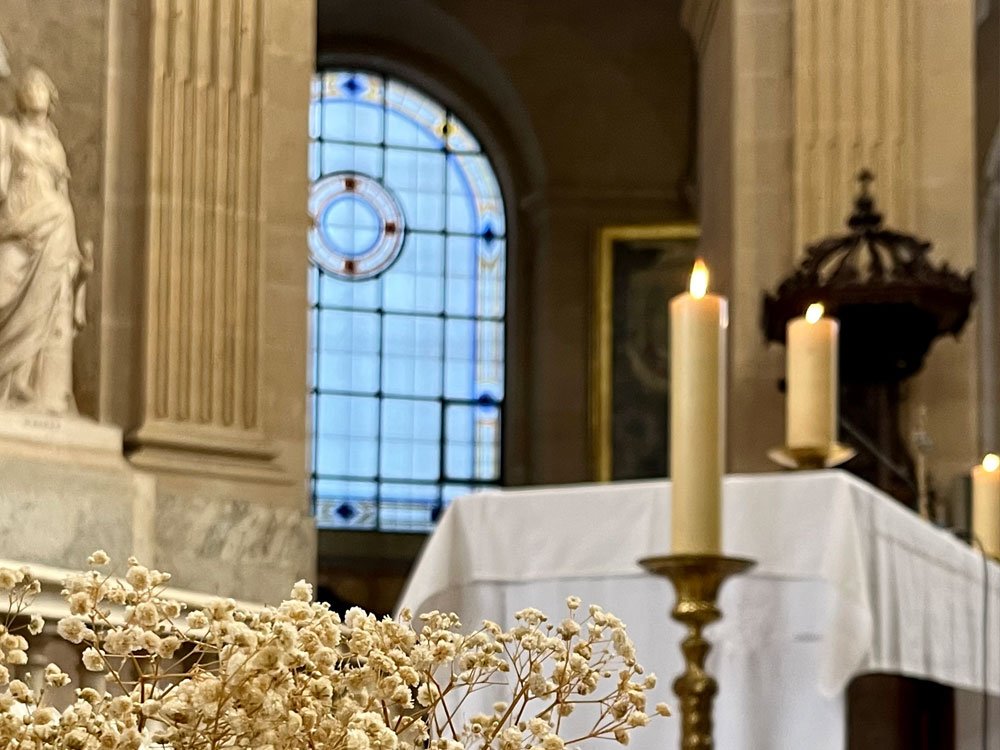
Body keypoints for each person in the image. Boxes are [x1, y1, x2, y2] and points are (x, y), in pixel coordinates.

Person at [0, 67, 91, 414]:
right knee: (5, 288)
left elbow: (63, 193)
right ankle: (7, 382)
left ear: (51, 97)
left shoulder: (55, 145)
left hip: (55, 226)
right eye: (29, 84)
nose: (34, 89)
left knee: (53, 309)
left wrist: (74, 255)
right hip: (15, 228)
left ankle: (39, 393)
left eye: (41, 84)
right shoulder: (6, 130)